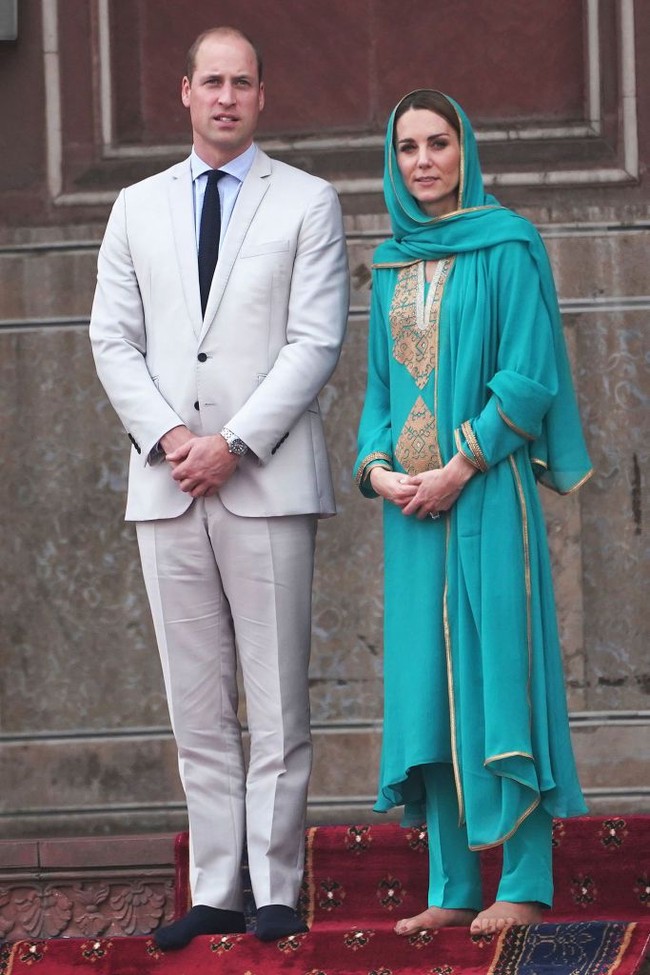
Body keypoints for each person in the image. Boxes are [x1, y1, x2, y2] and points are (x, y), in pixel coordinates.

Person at [90, 26, 349, 949]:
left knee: (277, 701)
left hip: (265, 479)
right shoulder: (135, 206)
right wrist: (172, 439)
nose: (227, 97)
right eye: (212, 81)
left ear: (262, 95)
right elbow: (112, 338)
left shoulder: (308, 201)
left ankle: (275, 887)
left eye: (242, 82)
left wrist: (233, 443)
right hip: (167, 484)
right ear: (186, 91)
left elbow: (314, 340)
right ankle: (215, 888)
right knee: (195, 703)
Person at [353, 90, 592, 937]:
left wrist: (459, 466)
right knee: (427, 688)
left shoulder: (507, 243)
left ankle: (523, 881)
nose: (422, 161)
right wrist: (379, 471)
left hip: (486, 493)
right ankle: (452, 886)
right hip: (412, 512)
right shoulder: (391, 265)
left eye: (438, 143)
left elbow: (528, 375)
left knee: (499, 674)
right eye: (407, 147)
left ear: (465, 151)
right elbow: (379, 391)